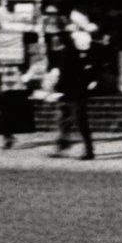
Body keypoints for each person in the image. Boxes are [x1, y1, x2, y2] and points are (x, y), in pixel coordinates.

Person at [48, 19, 98, 160]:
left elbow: (69, 73)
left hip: (74, 90)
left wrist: (58, 86)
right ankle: (62, 146)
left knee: (79, 119)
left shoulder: (70, 52)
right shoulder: (68, 52)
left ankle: (89, 150)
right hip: (68, 90)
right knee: (64, 120)